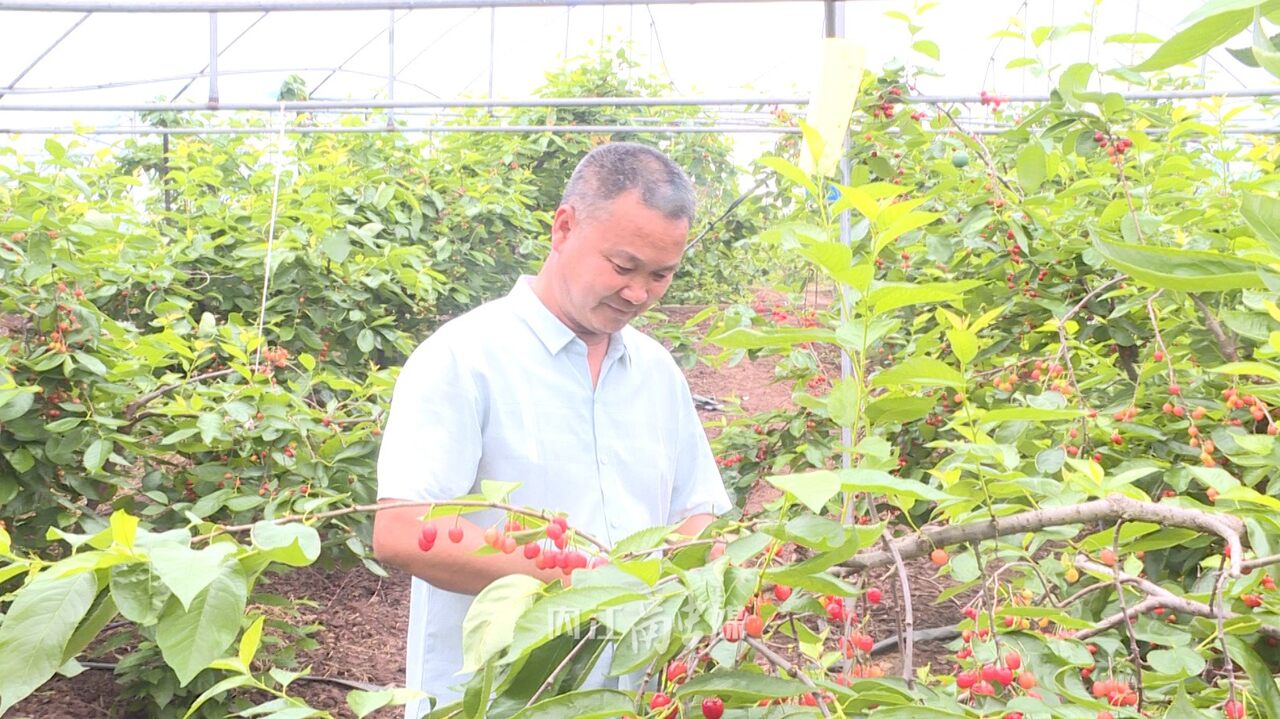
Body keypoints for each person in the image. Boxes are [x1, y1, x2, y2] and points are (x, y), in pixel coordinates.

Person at [371, 141, 733, 716]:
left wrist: (705, 586)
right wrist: (592, 580)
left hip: (633, 695)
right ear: (563, 228)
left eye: (661, 274)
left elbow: (697, 510)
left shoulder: (657, 372)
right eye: (622, 267)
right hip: (495, 698)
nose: (638, 293)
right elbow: (403, 528)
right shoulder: (465, 357)